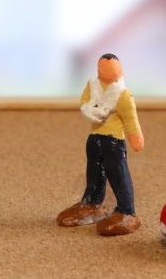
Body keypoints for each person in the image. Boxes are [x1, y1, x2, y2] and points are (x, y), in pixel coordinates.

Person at [56, 54, 145, 236]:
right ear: (98, 69)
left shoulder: (123, 95)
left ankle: (127, 211)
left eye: (113, 69)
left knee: (118, 175)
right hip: (95, 137)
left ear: (120, 70)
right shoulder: (93, 86)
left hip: (113, 141)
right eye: (104, 68)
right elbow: (84, 102)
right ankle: (92, 203)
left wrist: (136, 138)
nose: (109, 72)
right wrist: (92, 109)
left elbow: (131, 120)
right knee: (94, 172)